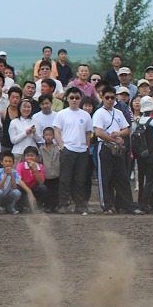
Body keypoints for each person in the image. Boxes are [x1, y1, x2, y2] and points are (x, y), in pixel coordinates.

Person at [92, 87, 144, 215]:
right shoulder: (99, 113)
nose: (110, 100)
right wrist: (115, 140)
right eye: (107, 97)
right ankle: (107, 205)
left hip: (117, 149)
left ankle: (127, 204)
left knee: (122, 177)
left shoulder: (119, 113)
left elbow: (127, 129)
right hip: (105, 146)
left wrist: (119, 134)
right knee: (105, 177)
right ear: (103, 98)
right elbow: (98, 132)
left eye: (112, 98)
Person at [53, 87, 93, 215]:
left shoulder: (85, 115)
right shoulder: (61, 114)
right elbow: (57, 131)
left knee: (80, 179)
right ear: (67, 99)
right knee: (65, 178)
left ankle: (79, 205)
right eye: (72, 97)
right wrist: (62, 146)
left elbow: (88, 133)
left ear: (80, 99)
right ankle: (63, 204)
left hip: (82, 151)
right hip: (68, 150)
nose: (74, 100)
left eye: (77, 97)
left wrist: (86, 147)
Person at [16, 146, 48, 211]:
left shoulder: (40, 166)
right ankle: (22, 206)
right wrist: (29, 191)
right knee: (17, 189)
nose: (29, 157)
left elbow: (41, 182)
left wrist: (35, 170)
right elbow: (18, 180)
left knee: (43, 188)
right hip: (24, 189)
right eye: (27, 155)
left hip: (34, 189)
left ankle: (39, 205)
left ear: (36, 157)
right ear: (24, 157)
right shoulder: (21, 165)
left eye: (32, 155)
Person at [38, 127, 60, 213]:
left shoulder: (57, 147)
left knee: (55, 191)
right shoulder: (41, 149)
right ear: (43, 136)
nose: (48, 137)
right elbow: (40, 161)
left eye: (50, 135)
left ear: (53, 136)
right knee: (47, 191)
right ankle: (47, 206)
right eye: (46, 135)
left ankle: (54, 206)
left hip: (56, 173)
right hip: (45, 174)